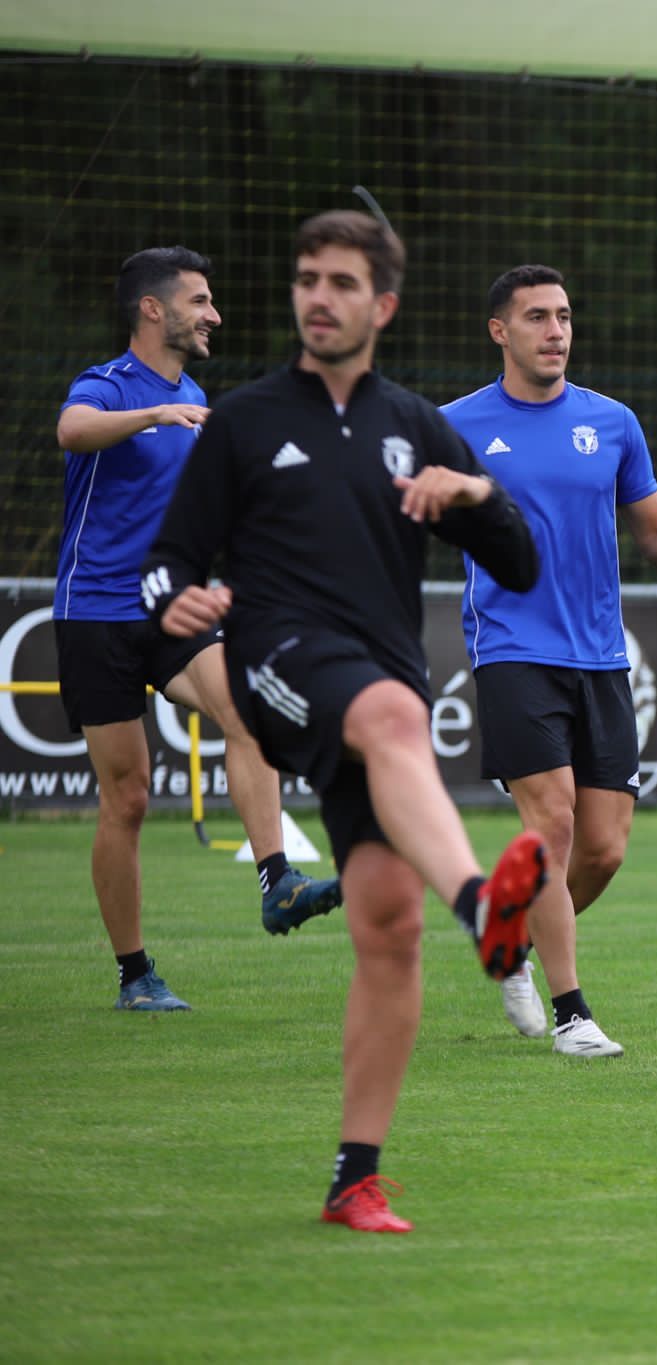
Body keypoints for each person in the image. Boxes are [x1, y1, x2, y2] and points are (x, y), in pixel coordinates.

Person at [141, 210, 547, 1234]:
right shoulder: (241, 418)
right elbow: (169, 558)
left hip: (381, 684)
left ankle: (353, 1177)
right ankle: (481, 911)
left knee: (384, 926)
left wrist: (479, 489)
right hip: (277, 664)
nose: (318, 296)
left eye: (341, 282)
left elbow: (522, 565)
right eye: (306, 278)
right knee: (393, 717)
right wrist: (170, 603)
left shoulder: (415, 422)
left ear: (384, 305)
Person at [442, 264, 657, 1057]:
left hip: (602, 658)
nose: (557, 330)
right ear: (500, 331)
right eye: (537, 316)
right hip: (510, 649)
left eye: (565, 315)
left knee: (604, 848)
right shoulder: (455, 424)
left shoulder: (612, 423)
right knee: (556, 820)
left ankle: (513, 939)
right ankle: (573, 1014)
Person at [55, 246, 342, 1012]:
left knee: (247, 710)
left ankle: (277, 879)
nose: (214, 314)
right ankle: (133, 974)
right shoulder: (110, 386)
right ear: (154, 308)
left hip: (166, 607)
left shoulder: (199, 397)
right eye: (201, 300)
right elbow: (73, 431)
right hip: (93, 613)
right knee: (130, 799)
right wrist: (151, 413)